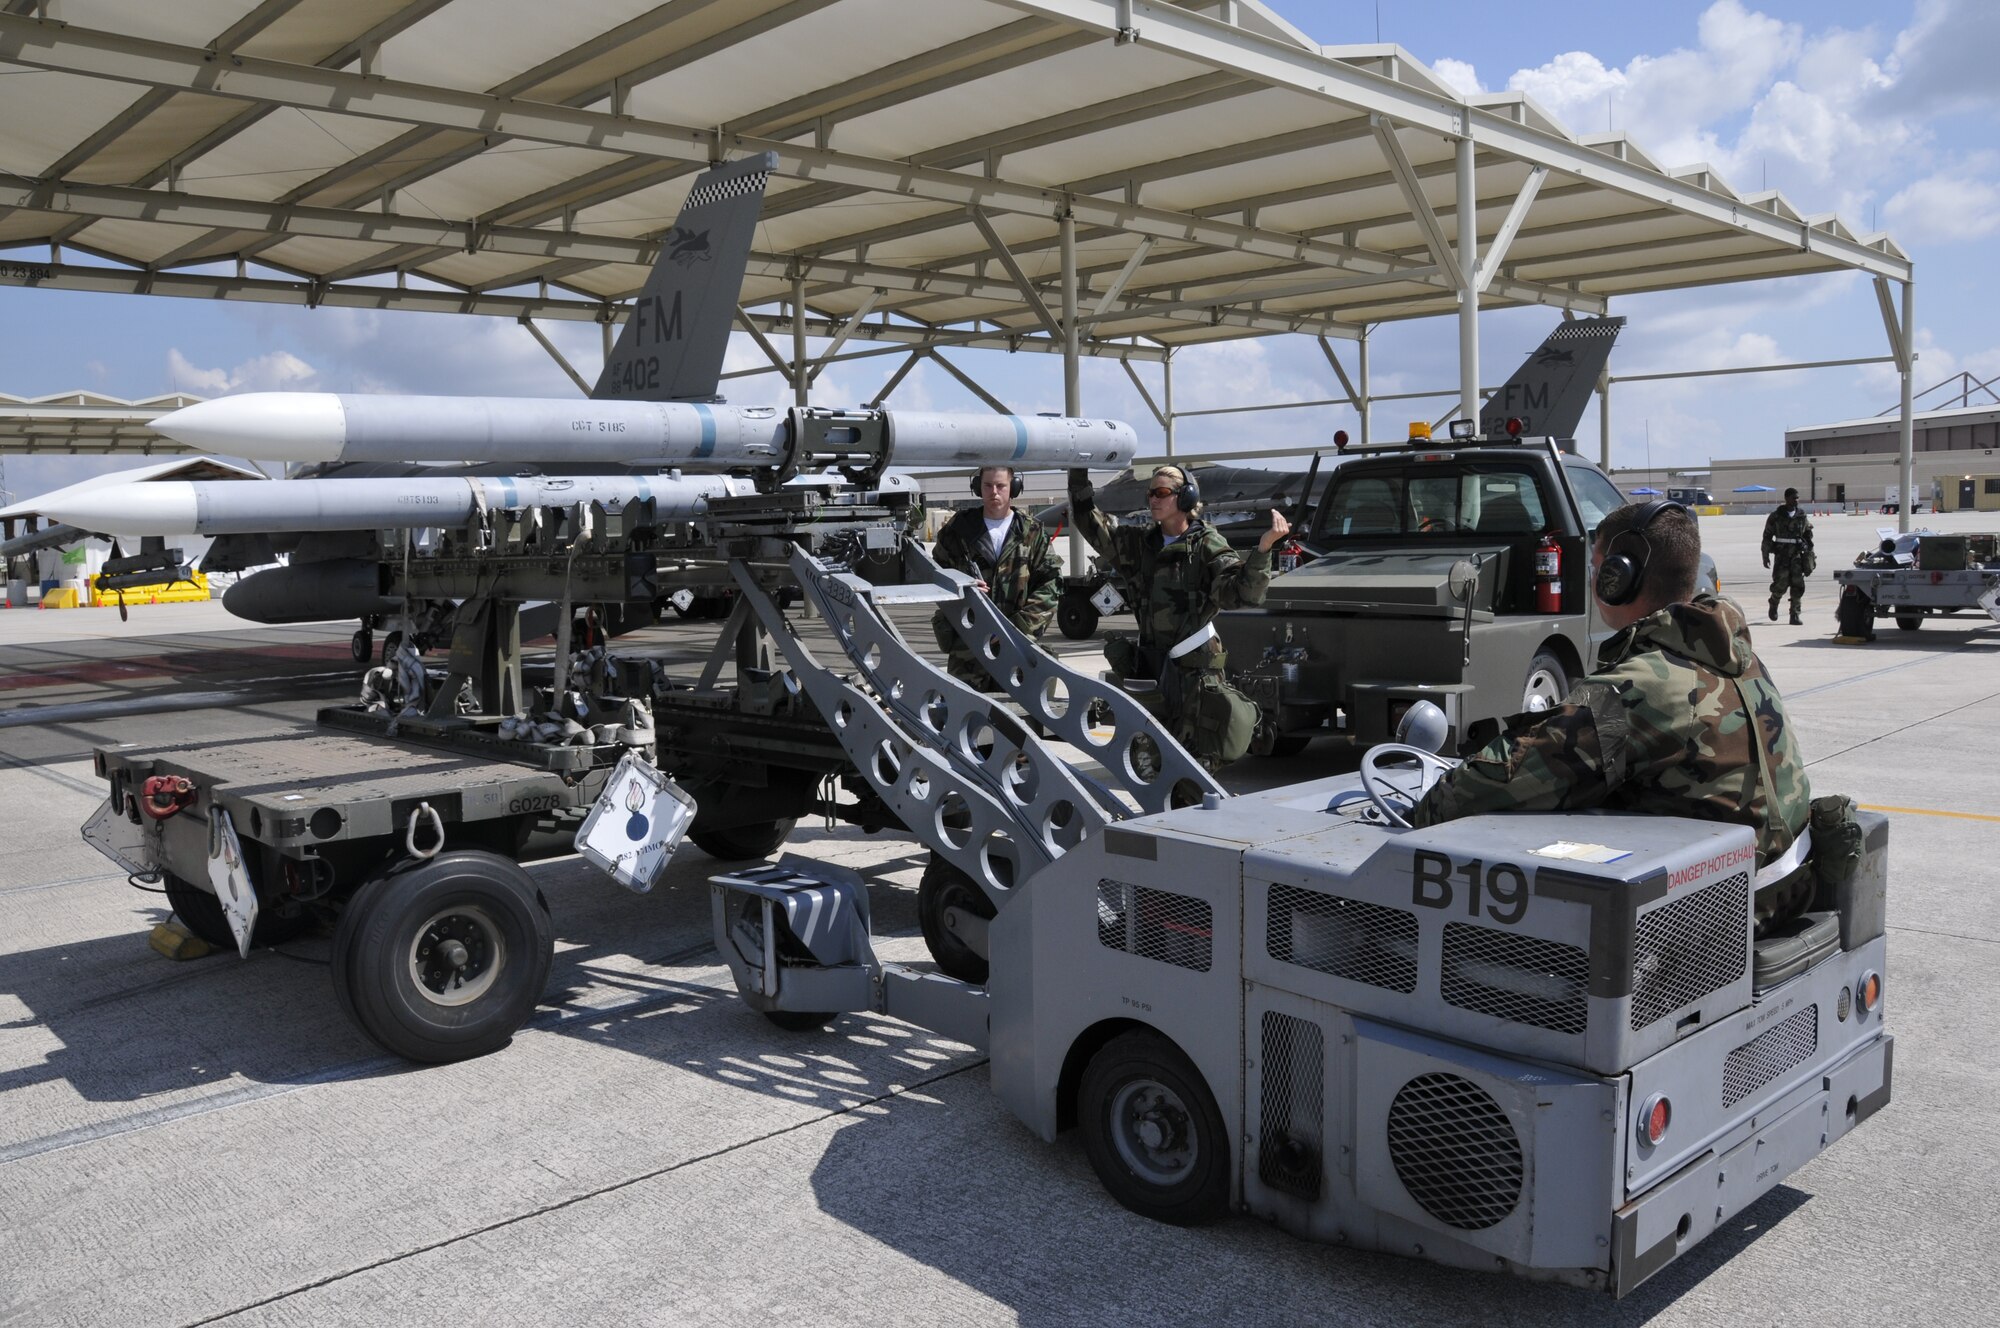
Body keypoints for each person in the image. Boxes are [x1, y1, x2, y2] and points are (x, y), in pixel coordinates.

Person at [1410, 501, 1811, 885]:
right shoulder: (1735, 655)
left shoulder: (1635, 689)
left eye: (1597, 569)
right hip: (1777, 886)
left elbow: (1470, 794)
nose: (1592, 579)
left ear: (1617, 580)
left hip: (1711, 914)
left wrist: (1419, 809)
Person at [1066, 463, 1288, 770]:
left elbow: (1242, 594)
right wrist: (1078, 473)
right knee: (1147, 765)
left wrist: (1263, 551)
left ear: (1185, 499)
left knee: (1195, 767)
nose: (1153, 500)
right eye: (1151, 493)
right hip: (1153, 674)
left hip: (1194, 679)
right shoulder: (1140, 546)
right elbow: (1090, 523)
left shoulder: (1207, 545)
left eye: (1162, 493)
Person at [929, 465, 1060, 689]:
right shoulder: (958, 530)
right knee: (967, 716)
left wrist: (1015, 628)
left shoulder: (1031, 532)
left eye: (1001, 486)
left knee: (1018, 718)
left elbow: (1051, 584)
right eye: (988, 485)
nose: (994, 492)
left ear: (1014, 488)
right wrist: (962, 588)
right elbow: (935, 574)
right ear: (978, 488)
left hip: (1017, 648)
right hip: (969, 648)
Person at [1761, 487, 1815, 625]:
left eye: (1797, 498)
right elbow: (1767, 536)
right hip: (1782, 556)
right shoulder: (1776, 516)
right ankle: (1774, 603)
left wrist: (1809, 552)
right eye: (1793, 498)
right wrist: (1765, 555)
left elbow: (1808, 535)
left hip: (1797, 556)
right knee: (1780, 584)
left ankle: (1795, 614)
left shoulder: (1802, 516)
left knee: (1798, 585)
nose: (1796, 500)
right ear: (1786, 499)